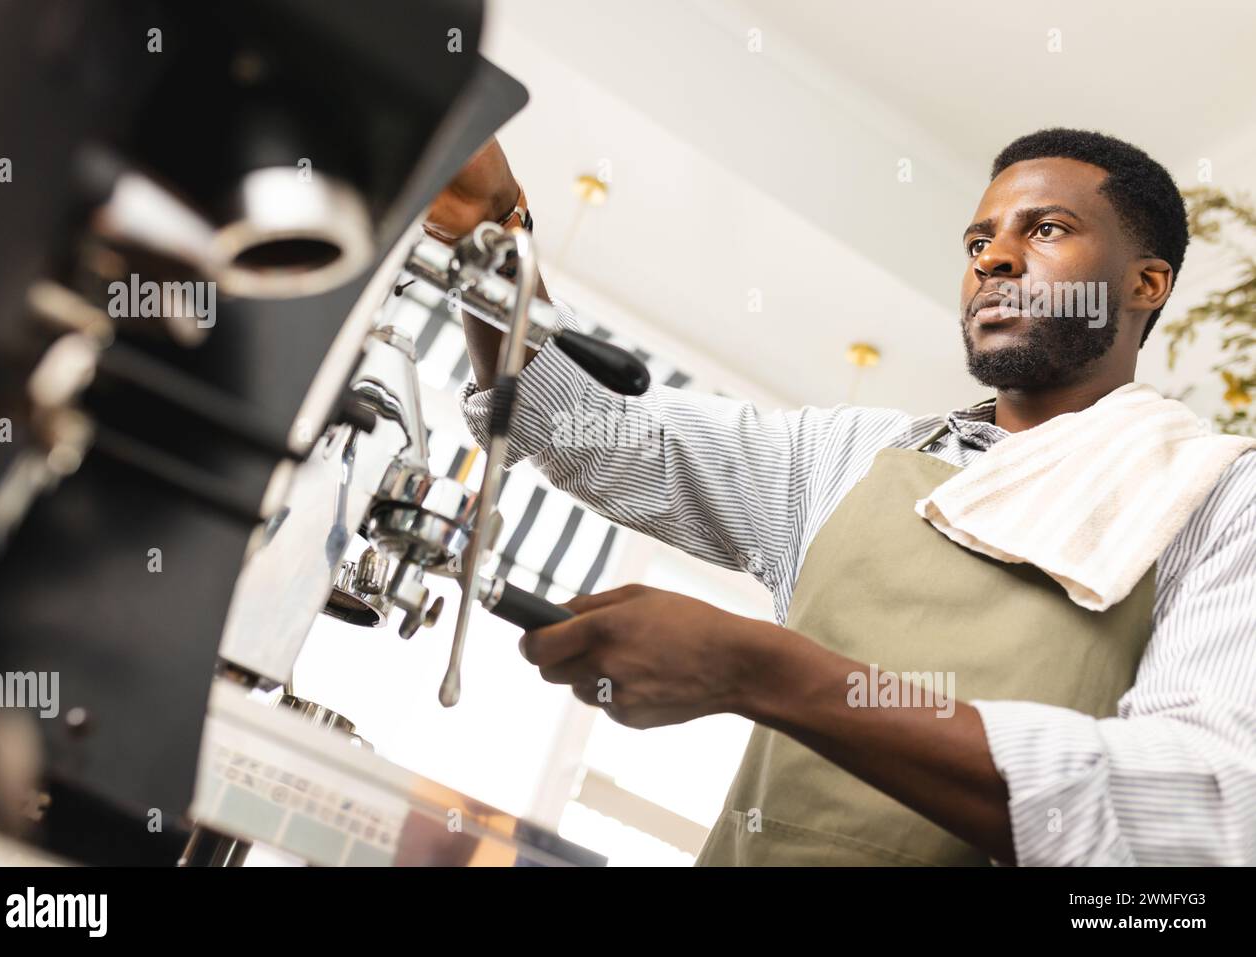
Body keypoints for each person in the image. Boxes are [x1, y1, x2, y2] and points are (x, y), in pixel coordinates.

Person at [425, 128, 1256, 866]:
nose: (993, 259)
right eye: (979, 239)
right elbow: (577, 421)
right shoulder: (849, 454)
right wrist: (493, 234)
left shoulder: (1219, 497)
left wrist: (761, 667)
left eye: (1045, 229)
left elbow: (1195, 819)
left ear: (1148, 283)